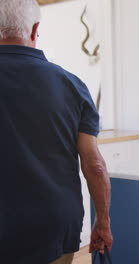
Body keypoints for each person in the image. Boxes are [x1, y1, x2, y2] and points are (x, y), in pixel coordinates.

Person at [0, 0, 113, 263]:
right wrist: (103, 222)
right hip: (52, 225)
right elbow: (94, 165)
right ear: (35, 29)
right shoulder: (72, 85)